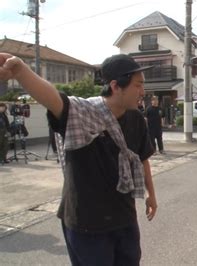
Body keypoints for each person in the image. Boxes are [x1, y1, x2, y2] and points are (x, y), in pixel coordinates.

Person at [0, 53, 158, 265]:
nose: (143, 92)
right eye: (138, 85)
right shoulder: (83, 112)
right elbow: (53, 98)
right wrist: (20, 71)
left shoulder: (137, 119)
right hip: (86, 221)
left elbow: (142, 158)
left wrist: (151, 194)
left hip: (124, 216)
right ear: (115, 86)